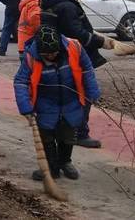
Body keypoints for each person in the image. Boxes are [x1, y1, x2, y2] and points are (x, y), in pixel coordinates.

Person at [40, 0, 119, 149]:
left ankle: (64, 131)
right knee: (83, 94)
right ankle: (79, 133)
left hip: (60, 54)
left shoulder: (51, 1)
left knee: (66, 95)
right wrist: (100, 42)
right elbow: (75, 32)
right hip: (73, 56)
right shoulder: (67, 5)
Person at [14, 26, 100, 181]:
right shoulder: (31, 56)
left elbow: (87, 69)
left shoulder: (74, 48)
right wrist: (26, 107)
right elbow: (21, 81)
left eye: (53, 53)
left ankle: (65, 162)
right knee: (46, 136)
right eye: (46, 55)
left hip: (71, 100)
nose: (50, 57)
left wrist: (92, 92)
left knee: (68, 136)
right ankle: (51, 167)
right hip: (45, 103)